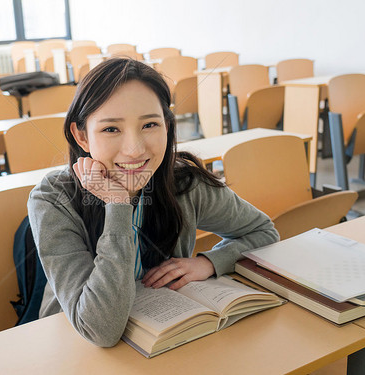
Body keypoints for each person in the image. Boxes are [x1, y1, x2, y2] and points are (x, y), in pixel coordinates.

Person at [27, 58, 279, 347]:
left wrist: (209, 262)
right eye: (111, 129)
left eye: (149, 124)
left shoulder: (183, 182)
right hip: (75, 347)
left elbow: (264, 232)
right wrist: (118, 205)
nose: (134, 149)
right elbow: (100, 330)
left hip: (171, 341)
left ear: (167, 126)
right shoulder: (52, 199)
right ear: (81, 136)